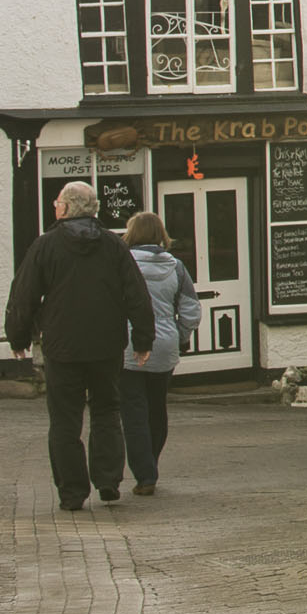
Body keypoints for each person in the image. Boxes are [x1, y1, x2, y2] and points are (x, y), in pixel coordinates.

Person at [6, 182, 157, 510]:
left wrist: (18, 337)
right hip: (106, 343)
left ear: (64, 208)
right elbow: (136, 294)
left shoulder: (46, 246)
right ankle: (107, 480)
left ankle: (72, 492)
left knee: (65, 419)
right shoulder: (113, 246)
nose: (54, 206)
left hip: (62, 346)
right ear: (94, 208)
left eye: (57, 202)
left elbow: (24, 295)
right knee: (106, 409)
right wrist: (143, 339)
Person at [121, 211, 201, 498]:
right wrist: (181, 336)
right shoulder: (177, 267)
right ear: (160, 234)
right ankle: (151, 463)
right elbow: (191, 309)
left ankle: (145, 474)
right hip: (165, 346)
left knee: (133, 413)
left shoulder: (123, 264)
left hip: (128, 347)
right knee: (157, 409)